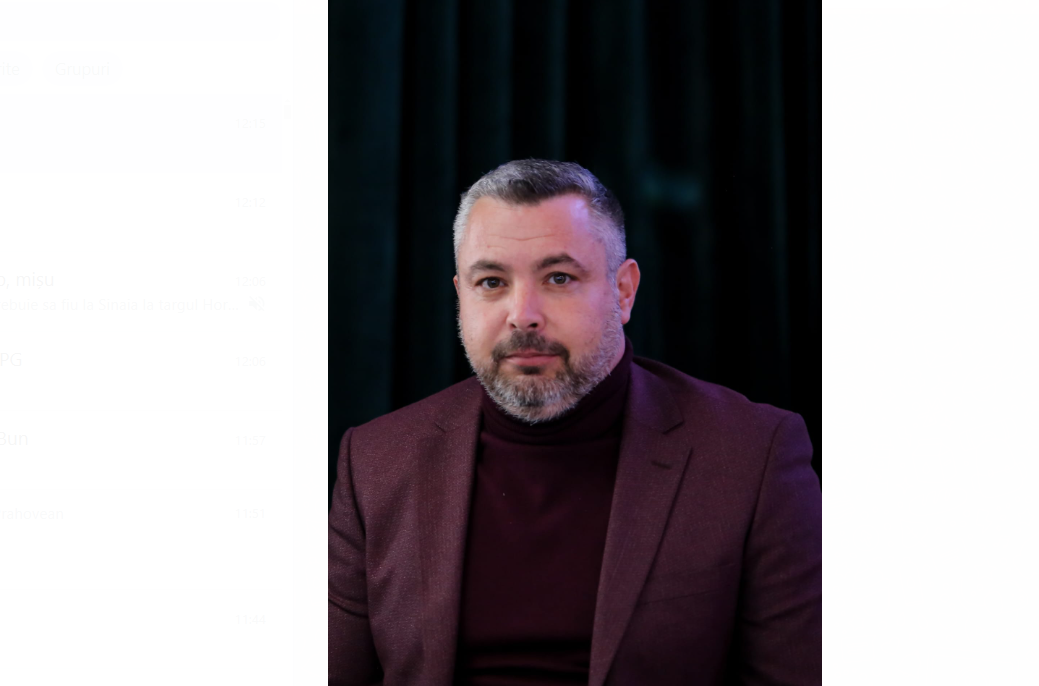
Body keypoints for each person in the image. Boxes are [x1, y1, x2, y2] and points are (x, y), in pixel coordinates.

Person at [330, 159, 820, 686]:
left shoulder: (752, 456)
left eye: (558, 278)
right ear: (461, 296)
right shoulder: (376, 461)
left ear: (624, 291)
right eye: (491, 282)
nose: (523, 314)